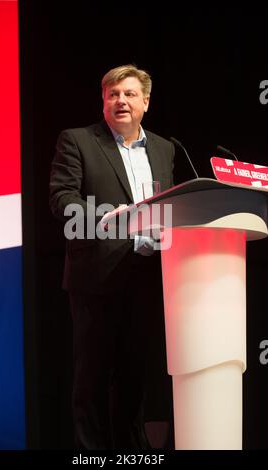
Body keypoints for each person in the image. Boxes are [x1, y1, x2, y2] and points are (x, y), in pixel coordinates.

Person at [49, 64, 175, 450]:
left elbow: (170, 204)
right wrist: (105, 219)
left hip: (147, 274)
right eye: (113, 94)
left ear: (146, 102)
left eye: (130, 94)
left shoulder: (165, 148)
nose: (121, 101)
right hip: (96, 278)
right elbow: (61, 198)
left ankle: (131, 453)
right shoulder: (78, 140)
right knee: (92, 378)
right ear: (103, 101)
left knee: (135, 376)